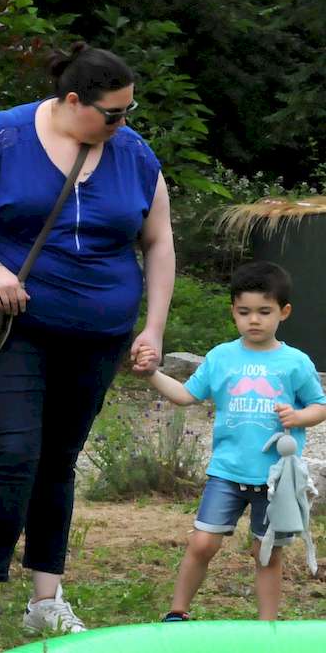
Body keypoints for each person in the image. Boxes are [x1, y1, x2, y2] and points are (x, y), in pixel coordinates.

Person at [0, 42, 174, 649]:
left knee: (59, 461)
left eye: (129, 111)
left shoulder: (134, 153)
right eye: (113, 113)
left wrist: (153, 328)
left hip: (98, 336)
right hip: (17, 329)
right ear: (72, 101)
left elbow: (159, 241)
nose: (124, 123)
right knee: (13, 453)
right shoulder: (4, 136)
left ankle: (46, 598)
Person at [137, 260, 326, 622]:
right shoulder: (221, 357)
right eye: (244, 312)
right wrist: (152, 375)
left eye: (264, 312)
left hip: (275, 481)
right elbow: (185, 395)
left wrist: (300, 417)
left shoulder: (294, 362)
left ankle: (266, 629)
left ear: (283, 312)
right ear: (233, 312)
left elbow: (319, 406)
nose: (254, 320)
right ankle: (177, 613)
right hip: (226, 472)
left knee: (266, 553)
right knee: (202, 543)